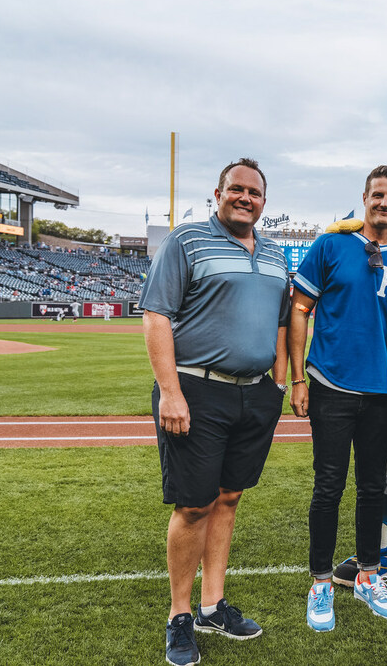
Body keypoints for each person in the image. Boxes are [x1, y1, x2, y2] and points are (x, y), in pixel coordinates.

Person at [141, 158, 290, 665]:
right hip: (197, 390)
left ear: (264, 201)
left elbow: (282, 322)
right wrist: (170, 391)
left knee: (229, 498)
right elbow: (157, 315)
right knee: (194, 505)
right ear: (218, 193)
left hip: (254, 393)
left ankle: (212, 604)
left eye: (255, 192)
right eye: (237, 189)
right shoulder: (185, 242)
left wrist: (279, 381)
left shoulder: (274, 254)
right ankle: (179, 616)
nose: (246, 198)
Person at [289, 165, 387, 632]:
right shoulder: (330, 245)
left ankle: (368, 574)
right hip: (331, 385)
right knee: (328, 486)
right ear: (365, 198)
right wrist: (299, 378)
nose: (385, 203)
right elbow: (300, 309)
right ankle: (321, 582)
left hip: (381, 394)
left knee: (372, 487)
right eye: (378, 195)